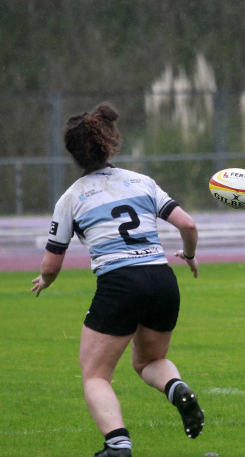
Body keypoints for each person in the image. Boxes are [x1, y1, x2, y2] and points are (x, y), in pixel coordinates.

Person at [30, 103, 204, 457]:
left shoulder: (71, 198)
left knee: (95, 375)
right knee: (149, 362)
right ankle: (178, 388)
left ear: (74, 153)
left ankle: (117, 445)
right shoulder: (141, 181)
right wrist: (187, 255)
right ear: (109, 143)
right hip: (161, 279)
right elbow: (187, 224)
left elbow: (51, 264)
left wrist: (45, 280)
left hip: (119, 282)